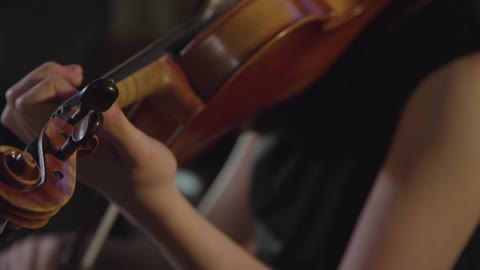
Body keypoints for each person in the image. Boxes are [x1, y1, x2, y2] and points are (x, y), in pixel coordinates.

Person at [3, 0, 480, 269]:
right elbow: (216, 245)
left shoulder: (464, 75)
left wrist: (148, 199)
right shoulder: (308, 35)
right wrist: (75, 254)